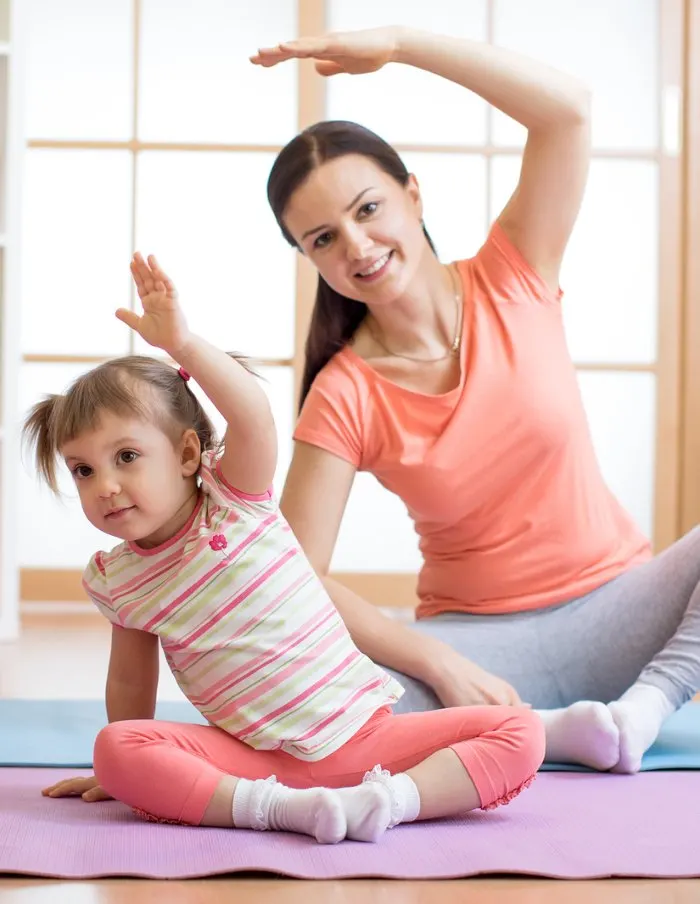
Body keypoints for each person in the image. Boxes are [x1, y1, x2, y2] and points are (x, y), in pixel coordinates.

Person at [251, 25, 700, 774]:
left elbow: (567, 112)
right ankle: (548, 733)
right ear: (308, 258)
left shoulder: (513, 272)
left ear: (411, 194)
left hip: (617, 618)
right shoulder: (343, 393)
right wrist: (433, 659)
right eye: (322, 239)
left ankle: (643, 710)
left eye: (368, 210)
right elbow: (293, 572)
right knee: (290, 693)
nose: (356, 247)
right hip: (473, 658)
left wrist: (397, 45)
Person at [25, 252, 544, 844]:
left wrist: (185, 344)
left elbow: (252, 416)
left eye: (126, 457)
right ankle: (281, 810)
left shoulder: (234, 498)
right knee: (116, 748)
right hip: (253, 763)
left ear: (189, 455)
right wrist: (122, 770)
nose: (106, 486)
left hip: (369, 739)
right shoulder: (119, 581)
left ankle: (389, 801)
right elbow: (128, 687)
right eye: (83, 471)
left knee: (521, 733)